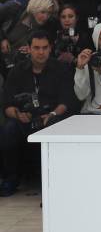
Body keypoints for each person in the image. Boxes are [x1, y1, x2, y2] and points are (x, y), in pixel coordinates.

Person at [1, 30, 76, 197]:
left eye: (44, 48)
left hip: (52, 118)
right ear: (29, 48)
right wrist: (17, 114)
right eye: (36, 48)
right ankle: (11, 179)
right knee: (8, 129)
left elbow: (66, 101)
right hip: (25, 119)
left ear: (50, 48)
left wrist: (53, 114)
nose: (41, 52)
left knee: (57, 124)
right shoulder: (17, 71)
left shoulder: (61, 69)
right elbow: (6, 105)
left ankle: (54, 181)